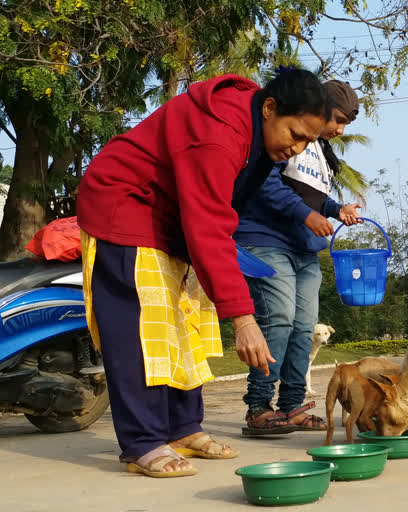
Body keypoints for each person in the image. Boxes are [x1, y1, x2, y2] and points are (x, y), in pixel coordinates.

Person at [76, 69, 331, 477]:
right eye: (295, 134)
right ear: (270, 109)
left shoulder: (256, 134)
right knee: (144, 328)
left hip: (170, 220)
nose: (297, 148)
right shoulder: (219, 132)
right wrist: (243, 318)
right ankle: (142, 441)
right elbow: (209, 223)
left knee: (188, 323)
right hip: (125, 207)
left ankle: (181, 427)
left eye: (307, 142)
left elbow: (223, 211)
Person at [234, 80, 363, 435]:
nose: (339, 129)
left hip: (304, 250)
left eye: (345, 125)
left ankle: (292, 405)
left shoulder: (319, 152)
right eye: (337, 120)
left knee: (304, 326)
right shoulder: (284, 138)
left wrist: (337, 209)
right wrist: (305, 215)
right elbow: (264, 183)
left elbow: (313, 198)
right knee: (278, 319)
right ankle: (259, 406)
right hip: (266, 239)